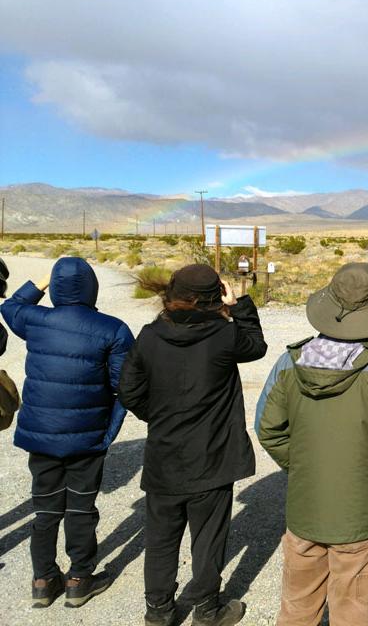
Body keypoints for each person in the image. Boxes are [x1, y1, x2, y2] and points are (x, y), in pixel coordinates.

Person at [256, 262, 368, 626]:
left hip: (305, 506)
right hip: (361, 510)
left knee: (297, 608)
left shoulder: (289, 362)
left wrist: (300, 465)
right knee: (355, 612)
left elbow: (267, 428)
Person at [118, 264, 267, 626]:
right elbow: (257, 347)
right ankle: (206, 609)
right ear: (215, 297)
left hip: (165, 457)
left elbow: (128, 391)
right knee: (208, 537)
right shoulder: (224, 336)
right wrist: (241, 305)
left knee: (161, 539)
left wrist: (160, 417)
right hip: (212, 458)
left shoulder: (150, 336)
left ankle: (159, 611)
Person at [0, 257, 134, 608]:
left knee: (45, 510)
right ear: (93, 287)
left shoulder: (37, 321)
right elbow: (124, 388)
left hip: (41, 434)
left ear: (57, 288)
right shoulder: (114, 329)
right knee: (81, 508)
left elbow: (11, 305)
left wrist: (42, 282)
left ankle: (43, 579)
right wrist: (108, 433)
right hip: (86, 437)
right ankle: (79, 578)